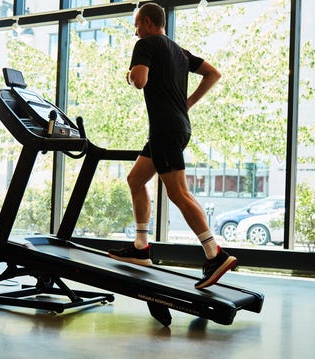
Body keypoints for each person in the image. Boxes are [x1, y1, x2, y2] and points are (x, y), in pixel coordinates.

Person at [108, 2, 237, 289]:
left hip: (166, 129)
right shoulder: (179, 51)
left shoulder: (146, 44)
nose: (135, 29)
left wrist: (130, 76)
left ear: (146, 21)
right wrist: (186, 104)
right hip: (173, 127)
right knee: (136, 179)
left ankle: (214, 254)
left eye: (137, 24)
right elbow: (213, 74)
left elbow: (140, 81)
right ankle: (141, 247)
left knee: (178, 192)